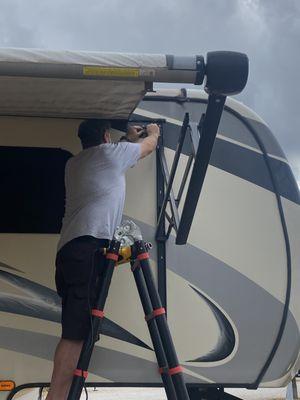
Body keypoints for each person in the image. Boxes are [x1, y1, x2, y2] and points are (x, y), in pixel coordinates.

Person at [46, 119, 160, 400]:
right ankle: (57, 398)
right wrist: (153, 133)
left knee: (75, 327)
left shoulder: (74, 164)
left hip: (70, 251)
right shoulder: (110, 155)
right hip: (88, 248)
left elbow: (118, 156)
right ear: (106, 136)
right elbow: (148, 147)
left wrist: (126, 141)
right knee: (75, 334)